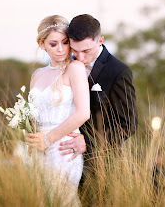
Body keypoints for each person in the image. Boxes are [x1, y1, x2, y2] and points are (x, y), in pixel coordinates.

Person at [23, 15, 90, 205]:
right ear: (42, 44)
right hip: (36, 150)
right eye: (53, 44)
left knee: (62, 199)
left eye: (65, 42)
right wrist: (30, 133)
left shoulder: (75, 68)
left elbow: (83, 112)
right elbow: (32, 114)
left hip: (63, 148)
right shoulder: (37, 75)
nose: (60, 49)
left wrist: (48, 139)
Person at [58, 14, 138, 169]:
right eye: (74, 50)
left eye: (86, 51)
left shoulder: (118, 71)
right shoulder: (64, 65)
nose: (80, 57)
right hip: (62, 158)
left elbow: (128, 125)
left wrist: (87, 142)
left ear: (100, 40)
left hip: (100, 164)